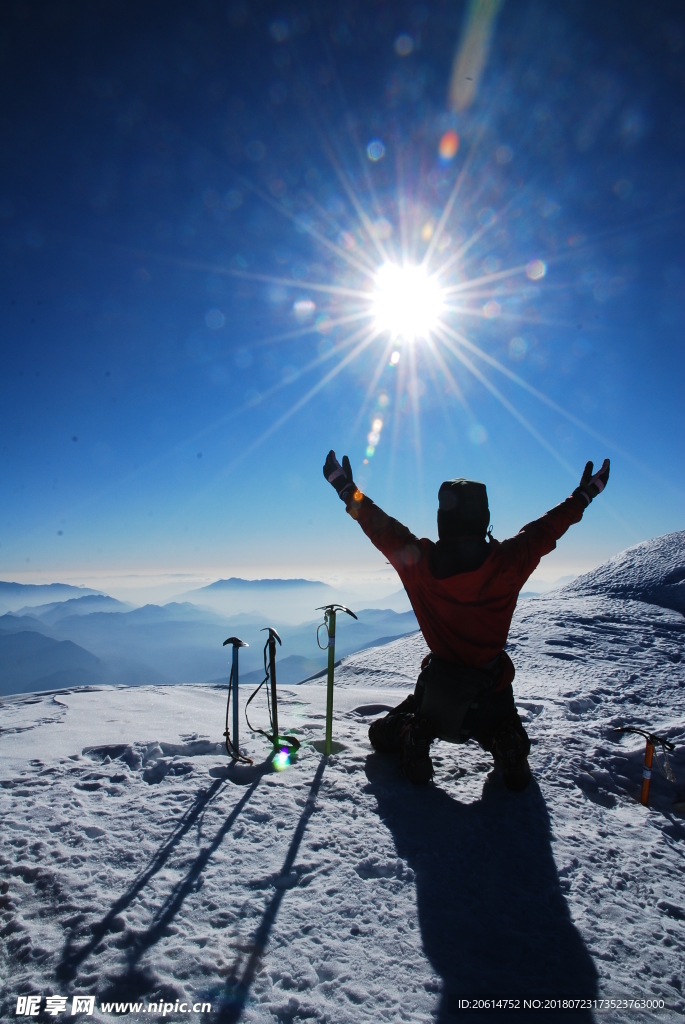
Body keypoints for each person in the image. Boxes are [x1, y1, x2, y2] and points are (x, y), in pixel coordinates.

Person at [323, 451, 610, 790]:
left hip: (436, 696)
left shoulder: (419, 563)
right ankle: (506, 741)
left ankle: (411, 733)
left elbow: (378, 525)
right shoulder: (509, 562)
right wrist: (584, 495)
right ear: (484, 517)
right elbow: (547, 529)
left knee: (380, 733)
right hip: (492, 690)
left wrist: (345, 487)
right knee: (501, 718)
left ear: (443, 519)